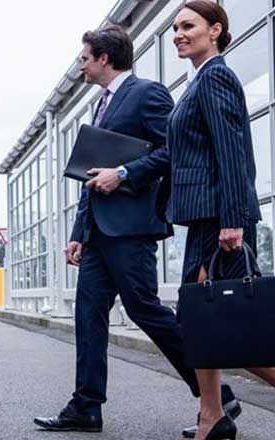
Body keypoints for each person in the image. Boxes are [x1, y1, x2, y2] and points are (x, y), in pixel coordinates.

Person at [107, 3, 275, 439]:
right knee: (202, 322)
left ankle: (212, 417)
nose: (178, 34)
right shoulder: (197, 79)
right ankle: (212, 416)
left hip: (220, 221)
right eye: (176, 27)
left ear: (215, 30)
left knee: (225, 324)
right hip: (202, 219)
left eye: (188, 26)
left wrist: (233, 221)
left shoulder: (216, 76)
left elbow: (232, 152)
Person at [34, 25, 213, 434]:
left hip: (132, 228)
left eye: (84, 57)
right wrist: (79, 230)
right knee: (88, 316)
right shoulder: (101, 105)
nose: (80, 64)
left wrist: (126, 172)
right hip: (98, 231)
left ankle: (215, 397)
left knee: (145, 310)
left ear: (103, 58)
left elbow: (174, 149)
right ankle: (86, 407)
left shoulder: (147, 93)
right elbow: (90, 173)